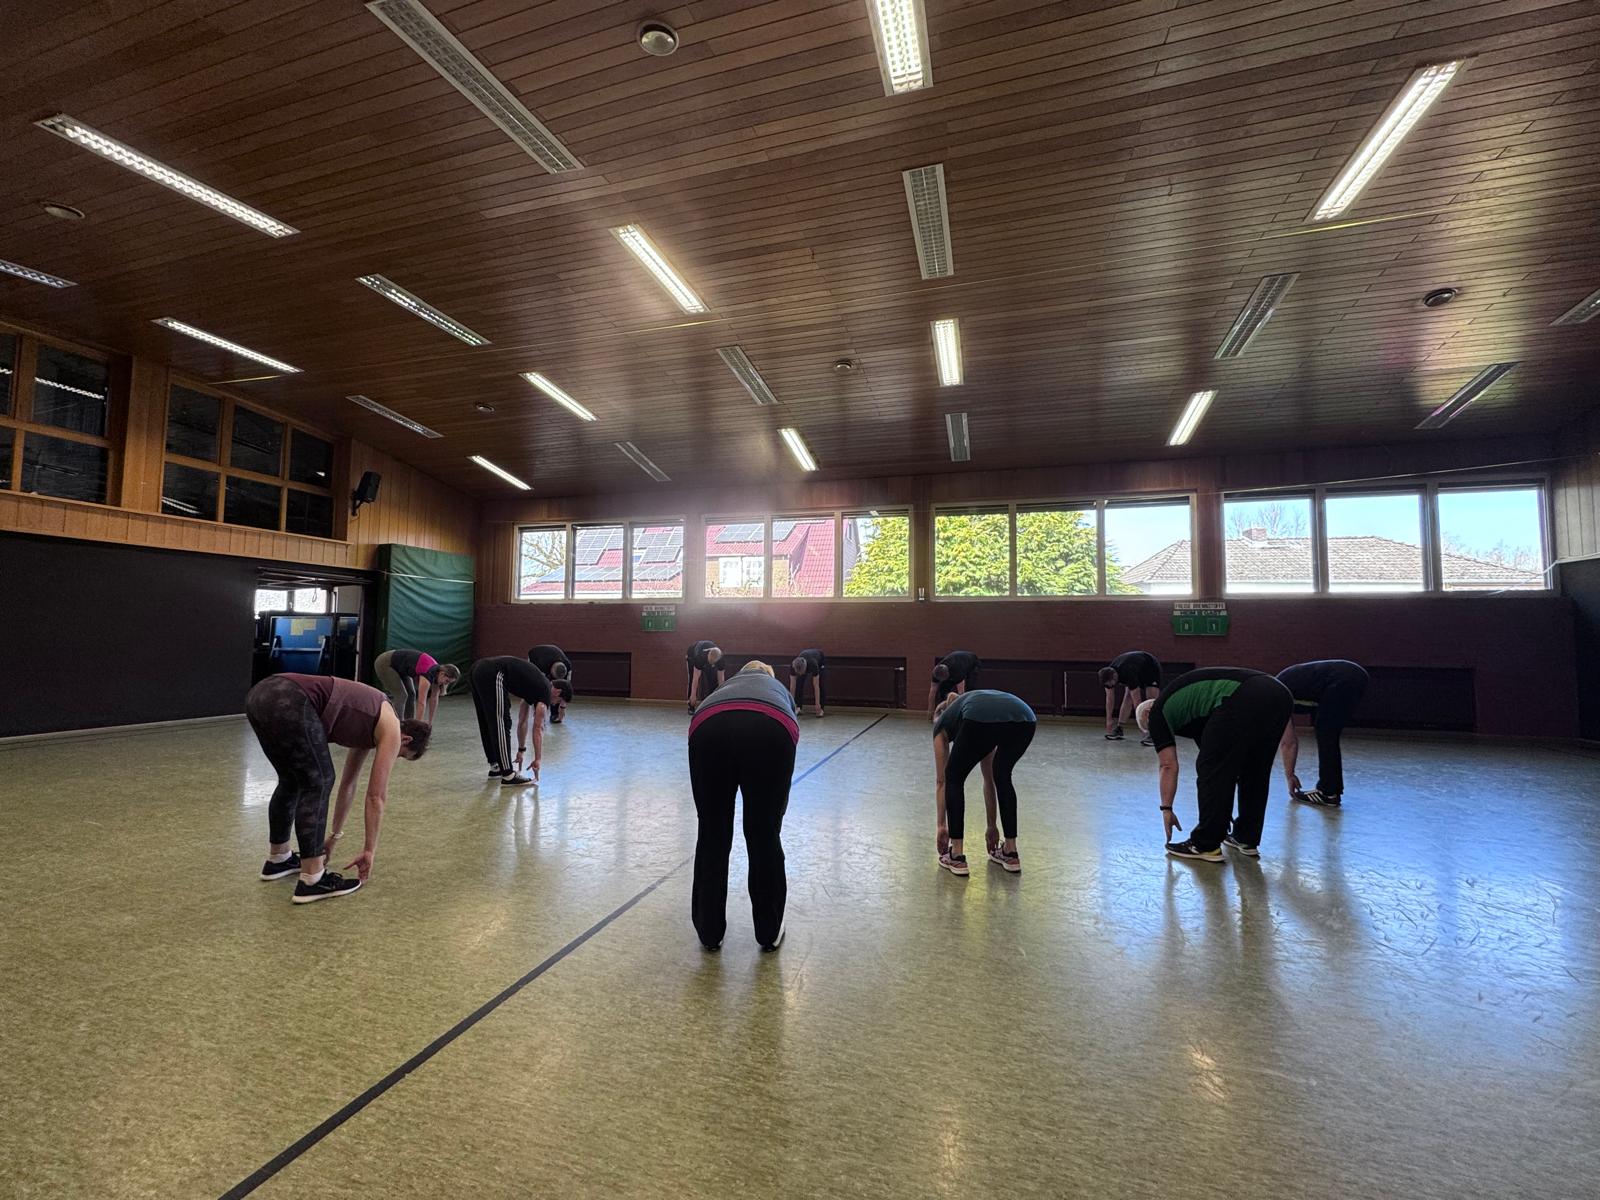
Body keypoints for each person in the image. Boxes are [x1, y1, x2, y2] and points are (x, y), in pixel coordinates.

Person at [244, 672, 430, 904]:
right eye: (402, 755)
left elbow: (348, 785)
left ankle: (279, 859)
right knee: (319, 781)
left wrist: (334, 836)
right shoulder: (391, 728)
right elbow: (376, 797)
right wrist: (369, 850)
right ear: (406, 740)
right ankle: (312, 879)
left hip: (261, 694)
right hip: (291, 698)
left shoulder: (372, 724)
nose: (394, 756)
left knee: (291, 779)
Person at [687, 662, 798, 952]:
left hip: (707, 726)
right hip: (771, 726)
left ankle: (709, 931)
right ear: (768, 675)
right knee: (764, 834)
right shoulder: (779, 690)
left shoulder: (726, 686)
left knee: (712, 832)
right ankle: (769, 931)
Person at [1137, 667, 1293, 863]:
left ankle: (1205, 844)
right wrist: (1219, 810)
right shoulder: (1188, 709)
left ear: (1148, 713)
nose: (1156, 734)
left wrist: (1166, 809)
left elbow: (1168, 766)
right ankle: (1246, 837)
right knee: (1254, 770)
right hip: (1279, 694)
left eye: (1151, 729)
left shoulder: (1158, 712)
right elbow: (1220, 757)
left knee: (1210, 768)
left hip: (1245, 695)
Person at [930, 689, 1036, 876]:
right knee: (1002, 776)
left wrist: (941, 826)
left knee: (953, 776)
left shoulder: (942, 724)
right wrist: (991, 826)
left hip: (982, 720)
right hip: (1026, 719)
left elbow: (941, 782)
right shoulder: (974, 708)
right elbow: (989, 780)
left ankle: (956, 855)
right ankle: (1010, 852)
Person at [1277, 659, 1369, 806]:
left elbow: (1288, 743)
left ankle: (1328, 792)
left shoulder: (1277, 696)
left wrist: (1290, 775)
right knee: (1326, 730)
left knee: (1325, 731)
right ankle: (1331, 791)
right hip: (1353, 675)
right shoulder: (1280, 687)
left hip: (1343, 678)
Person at [469, 655, 554, 786]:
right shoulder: (545, 693)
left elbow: (522, 721)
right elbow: (538, 728)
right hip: (493, 672)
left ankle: (495, 767)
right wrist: (538, 759)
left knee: (486, 719)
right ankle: (508, 774)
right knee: (501, 722)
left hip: (476, 669)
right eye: (559, 702)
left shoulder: (535, 687)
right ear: (558, 692)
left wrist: (521, 750)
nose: (554, 705)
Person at [373, 648, 459, 723]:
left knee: (411, 694)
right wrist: (419, 726)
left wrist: (430, 722)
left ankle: (409, 724)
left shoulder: (437, 674)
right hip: (385, 662)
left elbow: (434, 699)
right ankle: (398, 726)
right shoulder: (428, 672)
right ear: (442, 674)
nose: (445, 684)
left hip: (400, 667)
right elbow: (421, 702)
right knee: (402, 695)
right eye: (447, 681)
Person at [1099, 650, 1162, 744]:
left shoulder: (1128, 673)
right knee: (1128, 696)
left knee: (1151, 702)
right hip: (1136, 667)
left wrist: (1142, 727)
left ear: (1115, 676)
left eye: (1111, 683)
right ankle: (1119, 728)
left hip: (1151, 667)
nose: (1110, 686)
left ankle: (1154, 733)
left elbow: (1137, 702)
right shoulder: (1107, 675)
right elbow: (1109, 699)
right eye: (1107, 685)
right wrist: (1109, 720)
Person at [527, 644, 575, 723]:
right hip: (536, 655)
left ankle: (555, 714)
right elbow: (538, 688)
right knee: (541, 689)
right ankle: (538, 713)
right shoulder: (541, 666)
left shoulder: (568, 666)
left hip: (553, 653)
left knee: (558, 692)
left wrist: (562, 707)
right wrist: (539, 711)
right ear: (551, 671)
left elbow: (566, 689)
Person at [927, 650, 981, 714]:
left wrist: (959, 711)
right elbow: (932, 692)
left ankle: (968, 711)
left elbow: (961, 692)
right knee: (943, 690)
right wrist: (930, 711)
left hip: (972, 663)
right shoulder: (936, 673)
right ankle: (943, 711)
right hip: (956, 660)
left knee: (970, 688)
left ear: (948, 674)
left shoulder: (957, 672)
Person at [685, 640, 725, 712]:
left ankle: (711, 705)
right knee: (691, 679)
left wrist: (721, 696)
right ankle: (691, 705)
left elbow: (721, 679)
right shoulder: (700, 657)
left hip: (707, 658)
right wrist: (693, 695)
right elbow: (695, 678)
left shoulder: (721, 659)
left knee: (713, 681)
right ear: (708, 656)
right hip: (692, 655)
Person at [788, 648, 826, 718]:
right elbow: (792, 686)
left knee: (821, 684)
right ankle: (799, 707)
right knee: (799, 683)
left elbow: (816, 686)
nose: (801, 674)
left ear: (805, 668)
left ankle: (821, 708)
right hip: (805, 659)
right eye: (799, 673)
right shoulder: (792, 666)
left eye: (802, 672)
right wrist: (791, 705)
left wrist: (817, 704)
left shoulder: (813, 664)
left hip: (820, 659)